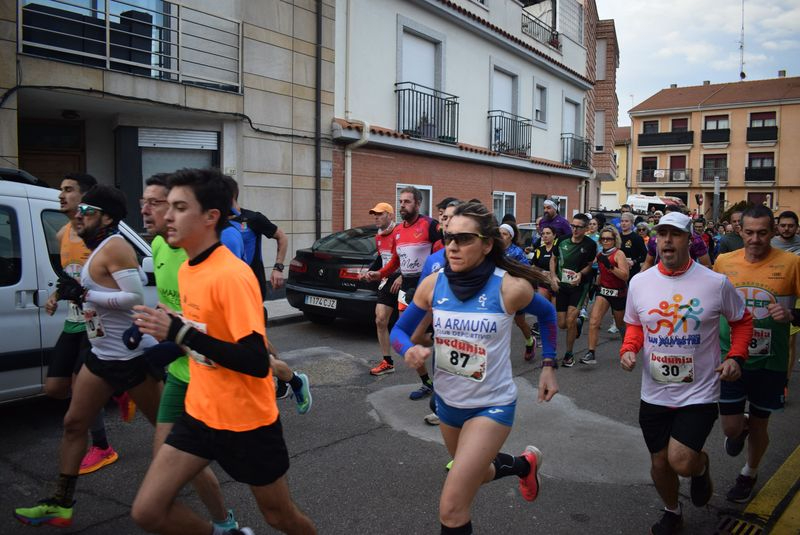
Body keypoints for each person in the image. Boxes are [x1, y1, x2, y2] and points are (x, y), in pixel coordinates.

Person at [129, 168, 315, 535]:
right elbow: (203, 336)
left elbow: (255, 360)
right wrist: (165, 340)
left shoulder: (230, 275)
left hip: (247, 422)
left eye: (179, 207)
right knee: (148, 511)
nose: (166, 216)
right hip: (199, 413)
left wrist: (179, 331)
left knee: (281, 518)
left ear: (210, 216)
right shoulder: (188, 270)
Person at [389, 201, 559, 535]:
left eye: (464, 238)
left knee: (452, 508)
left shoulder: (509, 287)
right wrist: (408, 350)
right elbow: (398, 332)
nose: (452, 245)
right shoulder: (433, 284)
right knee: (477, 472)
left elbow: (549, 315)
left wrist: (549, 365)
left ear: (487, 244)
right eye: (448, 237)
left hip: (491, 406)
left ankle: (519, 464)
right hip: (448, 404)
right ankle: (524, 465)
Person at [14, 185, 164, 528]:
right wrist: (71, 292)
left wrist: (87, 293)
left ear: (107, 217)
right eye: (79, 210)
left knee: (168, 436)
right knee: (73, 424)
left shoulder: (116, 248)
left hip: (131, 359)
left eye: (87, 211)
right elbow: (95, 291)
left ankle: (215, 512)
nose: (79, 216)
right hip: (100, 355)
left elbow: (133, 297)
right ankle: (61, 503)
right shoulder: (93, 248)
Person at [620, 211, 752, 535]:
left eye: (675, 234)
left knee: (680, 460)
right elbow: (636, 325)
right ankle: (672, 511)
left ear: (689, 240)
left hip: (699, 391)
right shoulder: (640, 282)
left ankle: (701, 464)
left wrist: (736, 356)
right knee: (659, 464)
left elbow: (742, 320)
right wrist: (628, 349)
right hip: (654, 391)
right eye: (661, 234)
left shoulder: (714, 282)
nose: (666, 240)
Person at [135, 173, 241, 531]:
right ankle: (223, 524)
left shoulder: (206, 254)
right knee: (167, 470)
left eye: (157, 203)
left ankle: (287, 376)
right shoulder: (160, 247)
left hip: (216, 380)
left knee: (277, 509)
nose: (147, 210)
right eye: (143, 202)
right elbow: (179, 313)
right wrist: (163, 332)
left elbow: (229, 332)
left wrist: (176, 338)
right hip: (183, 376)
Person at [44, 173, 128, 477]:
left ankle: (102, 446)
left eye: (68, 190)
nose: (61, 195)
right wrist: (57, 294)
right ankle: (116, 386)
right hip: (72, 322)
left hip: (96, 325)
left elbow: (114, 282)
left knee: (81, 392)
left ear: (86, 198)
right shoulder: (62, 234)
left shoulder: (100, 237)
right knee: (54, 388)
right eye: (61, 189)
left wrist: (88, 294)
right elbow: (71, 275)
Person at [714, 205, 800, 503]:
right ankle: (741, 429)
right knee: (731, 427)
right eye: (749, 232)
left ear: (773, 231)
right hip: (731, 357)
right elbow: (712, 304)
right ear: (739, 231)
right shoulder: (724, 262)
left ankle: (748, 473)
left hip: (770, 360)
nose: (755, 239)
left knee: (761, 424)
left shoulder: (791, 263)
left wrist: (792, 314)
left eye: (762, 233)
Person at [220, 177, 310, 411]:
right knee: (254, 339)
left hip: (252, 287)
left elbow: (282, 236)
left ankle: (285, 379)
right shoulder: (215, 223)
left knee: (250, 341)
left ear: (228, 197)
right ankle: (286, 377)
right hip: (228, 291)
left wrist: (278, 268)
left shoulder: (253, 218)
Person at [365, 186, 443, 400]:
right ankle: (427, 382)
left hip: (426, 283)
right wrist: (379, 273)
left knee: (429, 335)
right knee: (408, 336)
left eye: (407, 202)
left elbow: (445, 249)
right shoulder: (398, 231)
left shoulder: (429, 225)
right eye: (400, 202)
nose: (402, 205)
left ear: (418, 204)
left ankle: (443, 384)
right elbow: (395, 262)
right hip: (407, 286)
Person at [549, 213, 597, 367]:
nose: (575, 229)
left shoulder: (590, 245)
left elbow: (590, 265)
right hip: (562, 286)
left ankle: (569, 354)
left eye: (579, 227)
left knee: (569, 321)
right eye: (573, 226)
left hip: (579, 287)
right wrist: (553, 276)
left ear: (586, 228)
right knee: (562, 324)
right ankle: (579, 322)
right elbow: (553, 258)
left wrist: (580, 274)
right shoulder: (562, 240)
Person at [581, 226, 629, 365]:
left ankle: (627, 346)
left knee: (620, 324)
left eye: (609, 239)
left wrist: (611, 267)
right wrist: (596, 283)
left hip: (618, 292)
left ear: (615, 240)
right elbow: (600, 271)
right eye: (603, 239)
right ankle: (591, 353)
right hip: (604, 291)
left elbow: (625, 276)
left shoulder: (619, 254)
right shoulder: (600, 255)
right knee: (594, 321)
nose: (606, 241)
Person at [364, 202, 401, 376]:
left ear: (390, 215)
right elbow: (382, 259)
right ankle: (388, 362)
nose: (376, 217)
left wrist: (402, 276)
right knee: (380, 320)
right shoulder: (378, 236)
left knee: (414, 329)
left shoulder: (399, 233)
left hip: (404, 280)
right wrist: (370, 271)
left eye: (380, 214)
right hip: (387, 280)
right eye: (374, 214)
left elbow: (408, 258)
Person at [499, 222, 537, 361]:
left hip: (514, 291)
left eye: (504, 234)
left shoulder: (516, 252)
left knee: (520, 322)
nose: (501, 236)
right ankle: (500, 355)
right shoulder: (493, 250)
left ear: (510, 237)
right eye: (499, 233)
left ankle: (530, 341)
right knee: (501, 323)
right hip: (498, 292)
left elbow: (525, 270)